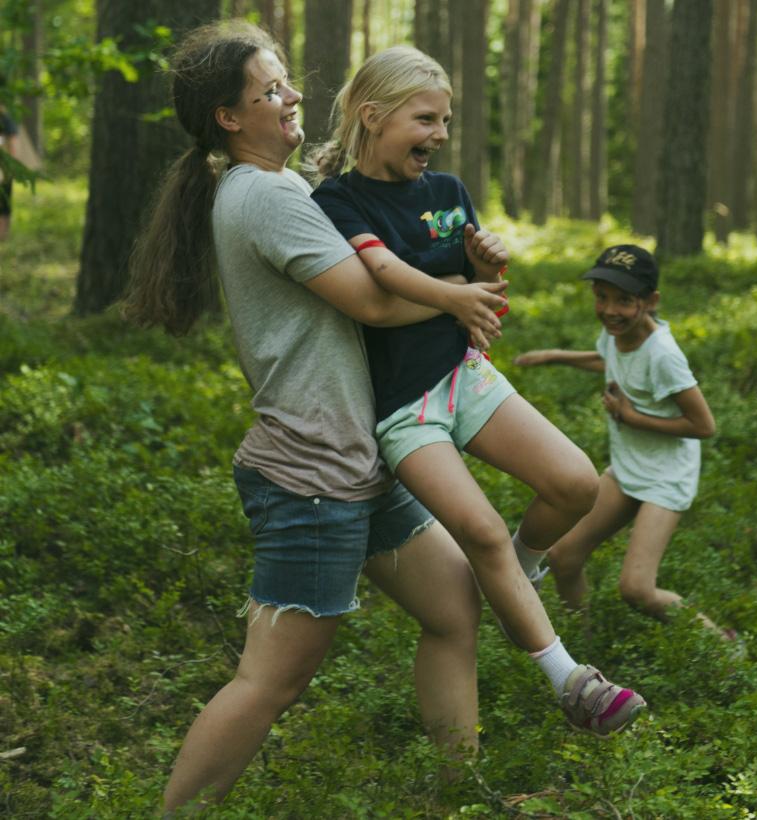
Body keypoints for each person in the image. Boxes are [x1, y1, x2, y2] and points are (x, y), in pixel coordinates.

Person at [122, 21, 513, 811]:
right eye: (271, 90)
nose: (293, 95)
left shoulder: (284, 186)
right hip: (311, 475)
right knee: (272, 680)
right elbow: (373, 302)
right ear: (230, 118)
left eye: (287, 80)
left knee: (453, 606)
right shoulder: (264, 195)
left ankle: (460, 795)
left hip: (359, 456)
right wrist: (460, 295)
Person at [310, 46, 646, 737]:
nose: (438, 134)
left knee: (575, 484)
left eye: (446, 120)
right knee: (481, 531)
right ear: (372, 116)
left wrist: (486, 271)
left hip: (464, 375)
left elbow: (483, 297)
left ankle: (517, 572)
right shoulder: (337, 201)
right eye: (425, 119)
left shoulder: (448, 191)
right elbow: (381, 274)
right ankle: (572, 683)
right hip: (402, 410)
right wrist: (457, 292)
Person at [515, 244, 733, 640]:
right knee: (564, 557)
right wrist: (553, 356)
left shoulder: (663, 356)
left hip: (665, 479)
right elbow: (607, 359)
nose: (610, 310)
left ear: (651, 302)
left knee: (636, 589)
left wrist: (632, 418)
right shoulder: (616, 334)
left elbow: (704, 425)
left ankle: (721, 643)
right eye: (601, 297)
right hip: (629, 468)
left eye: (624, 301)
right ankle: (584, 645)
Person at [0, 100, 19, 242]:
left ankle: (2, 235)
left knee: (4, 203)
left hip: (3, 167)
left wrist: (10, 166)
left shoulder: (6, 120)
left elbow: (12, 144)